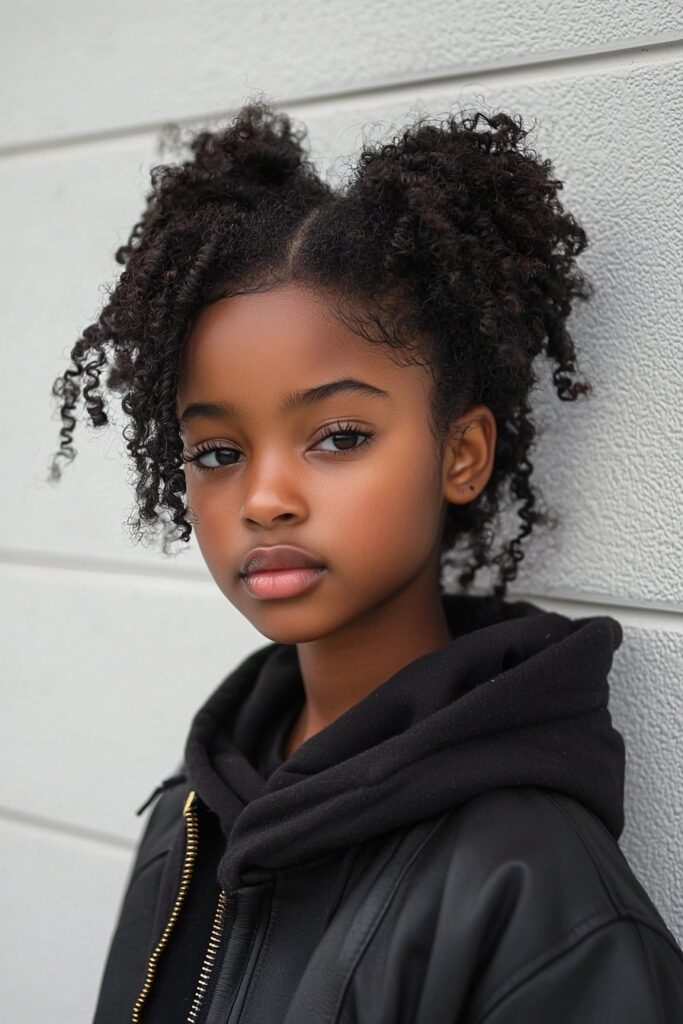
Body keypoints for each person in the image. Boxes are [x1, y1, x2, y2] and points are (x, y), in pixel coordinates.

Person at [49, 96, 683, 1023]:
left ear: (460, 454)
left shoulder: (535, 892)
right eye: (218, 453)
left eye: (338, 436)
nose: (263, 497)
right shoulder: (184, 828)